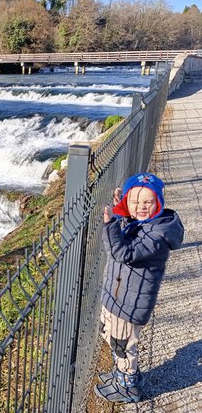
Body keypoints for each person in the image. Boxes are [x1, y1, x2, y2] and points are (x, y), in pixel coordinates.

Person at [94, 172, 184, 404]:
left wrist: (111, 223)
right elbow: (129, 232)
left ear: (158, 203)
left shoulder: (157, 235)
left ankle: (128, 386)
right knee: (110, 336)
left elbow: (123, 252)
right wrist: (122, 213)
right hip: (118, 296)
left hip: (129, 305)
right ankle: (121, 374)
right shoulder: (140, 224)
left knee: (124, 346)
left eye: (147, 202)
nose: (141, 207)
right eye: (134, 202)